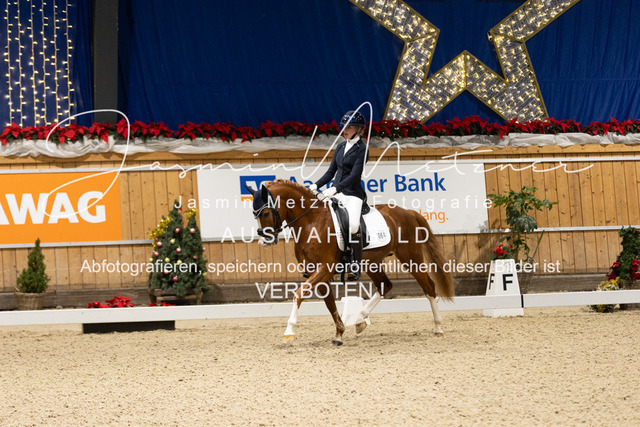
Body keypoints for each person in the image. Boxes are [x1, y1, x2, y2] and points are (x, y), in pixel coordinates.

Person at [309, 110, 369, 279]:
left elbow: (354, 175)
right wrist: (316, 185)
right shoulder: (341, 147)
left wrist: (336, 188)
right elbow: (331, 172)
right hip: (336, 193)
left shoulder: (362, 149)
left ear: (359, 129)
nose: (345, 130)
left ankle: (355, 263)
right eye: (344, 127)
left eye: (349, 127)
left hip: (353, 194)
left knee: (353, 226)